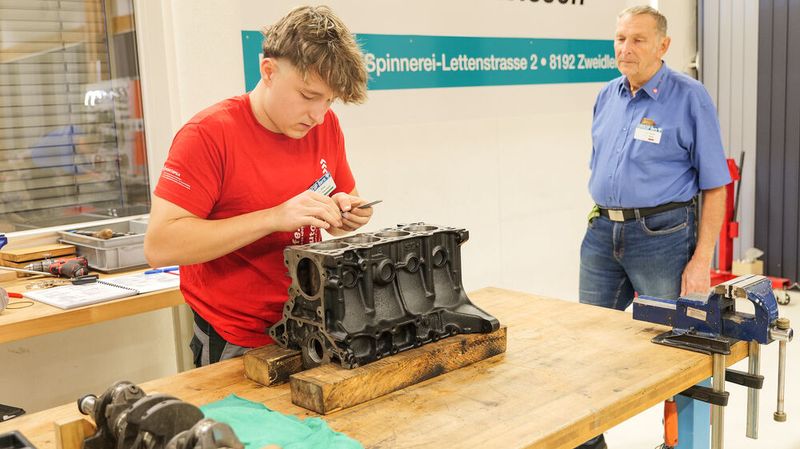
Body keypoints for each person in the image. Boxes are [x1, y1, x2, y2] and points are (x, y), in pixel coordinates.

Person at [144, 5, 373, 368]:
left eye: (329, 101)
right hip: (236, 339)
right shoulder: (208, 135)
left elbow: (347, 199)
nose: (318, 115)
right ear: (268, 71)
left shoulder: (325, 126)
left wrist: (348, 213)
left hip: (312, 323)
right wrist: (273, 218)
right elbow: (160, 245)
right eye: (308, 96)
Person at [577, 6, 730, 449]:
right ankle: (589, 441)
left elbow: (715, 186)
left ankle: (678, 443)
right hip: (602, 233)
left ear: (663, 45)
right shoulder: (606, 95)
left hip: (662, 237)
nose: (625, 48)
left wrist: (701, 261)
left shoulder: (689, 97)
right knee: (586, 344)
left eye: (638, 39)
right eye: (620, 38)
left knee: (678, 350)